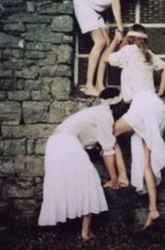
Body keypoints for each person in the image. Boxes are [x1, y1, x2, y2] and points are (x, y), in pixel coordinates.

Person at [73, 0, 165, 97]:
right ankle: (88, 86)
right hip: (84, 3)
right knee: (99, 42)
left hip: (95, 9)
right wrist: (120, 28)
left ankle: (100, 85)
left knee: (106, 41)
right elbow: (115, 2)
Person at [38, 88, 129, 241]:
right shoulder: (105, 115)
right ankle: (85, 232)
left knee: (68, 183)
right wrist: (113, 177)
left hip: (54, 143)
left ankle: (78, 230)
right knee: (89, 182)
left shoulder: (97, 111)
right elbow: (108, 149)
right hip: (66, 142)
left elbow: (97, 144)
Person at [103, 24, 165, 229]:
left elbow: (106, 58)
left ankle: (121, 176)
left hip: (141, 105)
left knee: (109, 133)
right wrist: (160, 91)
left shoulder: (129, 50)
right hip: (157, 107)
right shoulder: (148, 54)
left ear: (130, 39)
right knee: (147, 163)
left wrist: (115, 41)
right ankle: (153, 210)